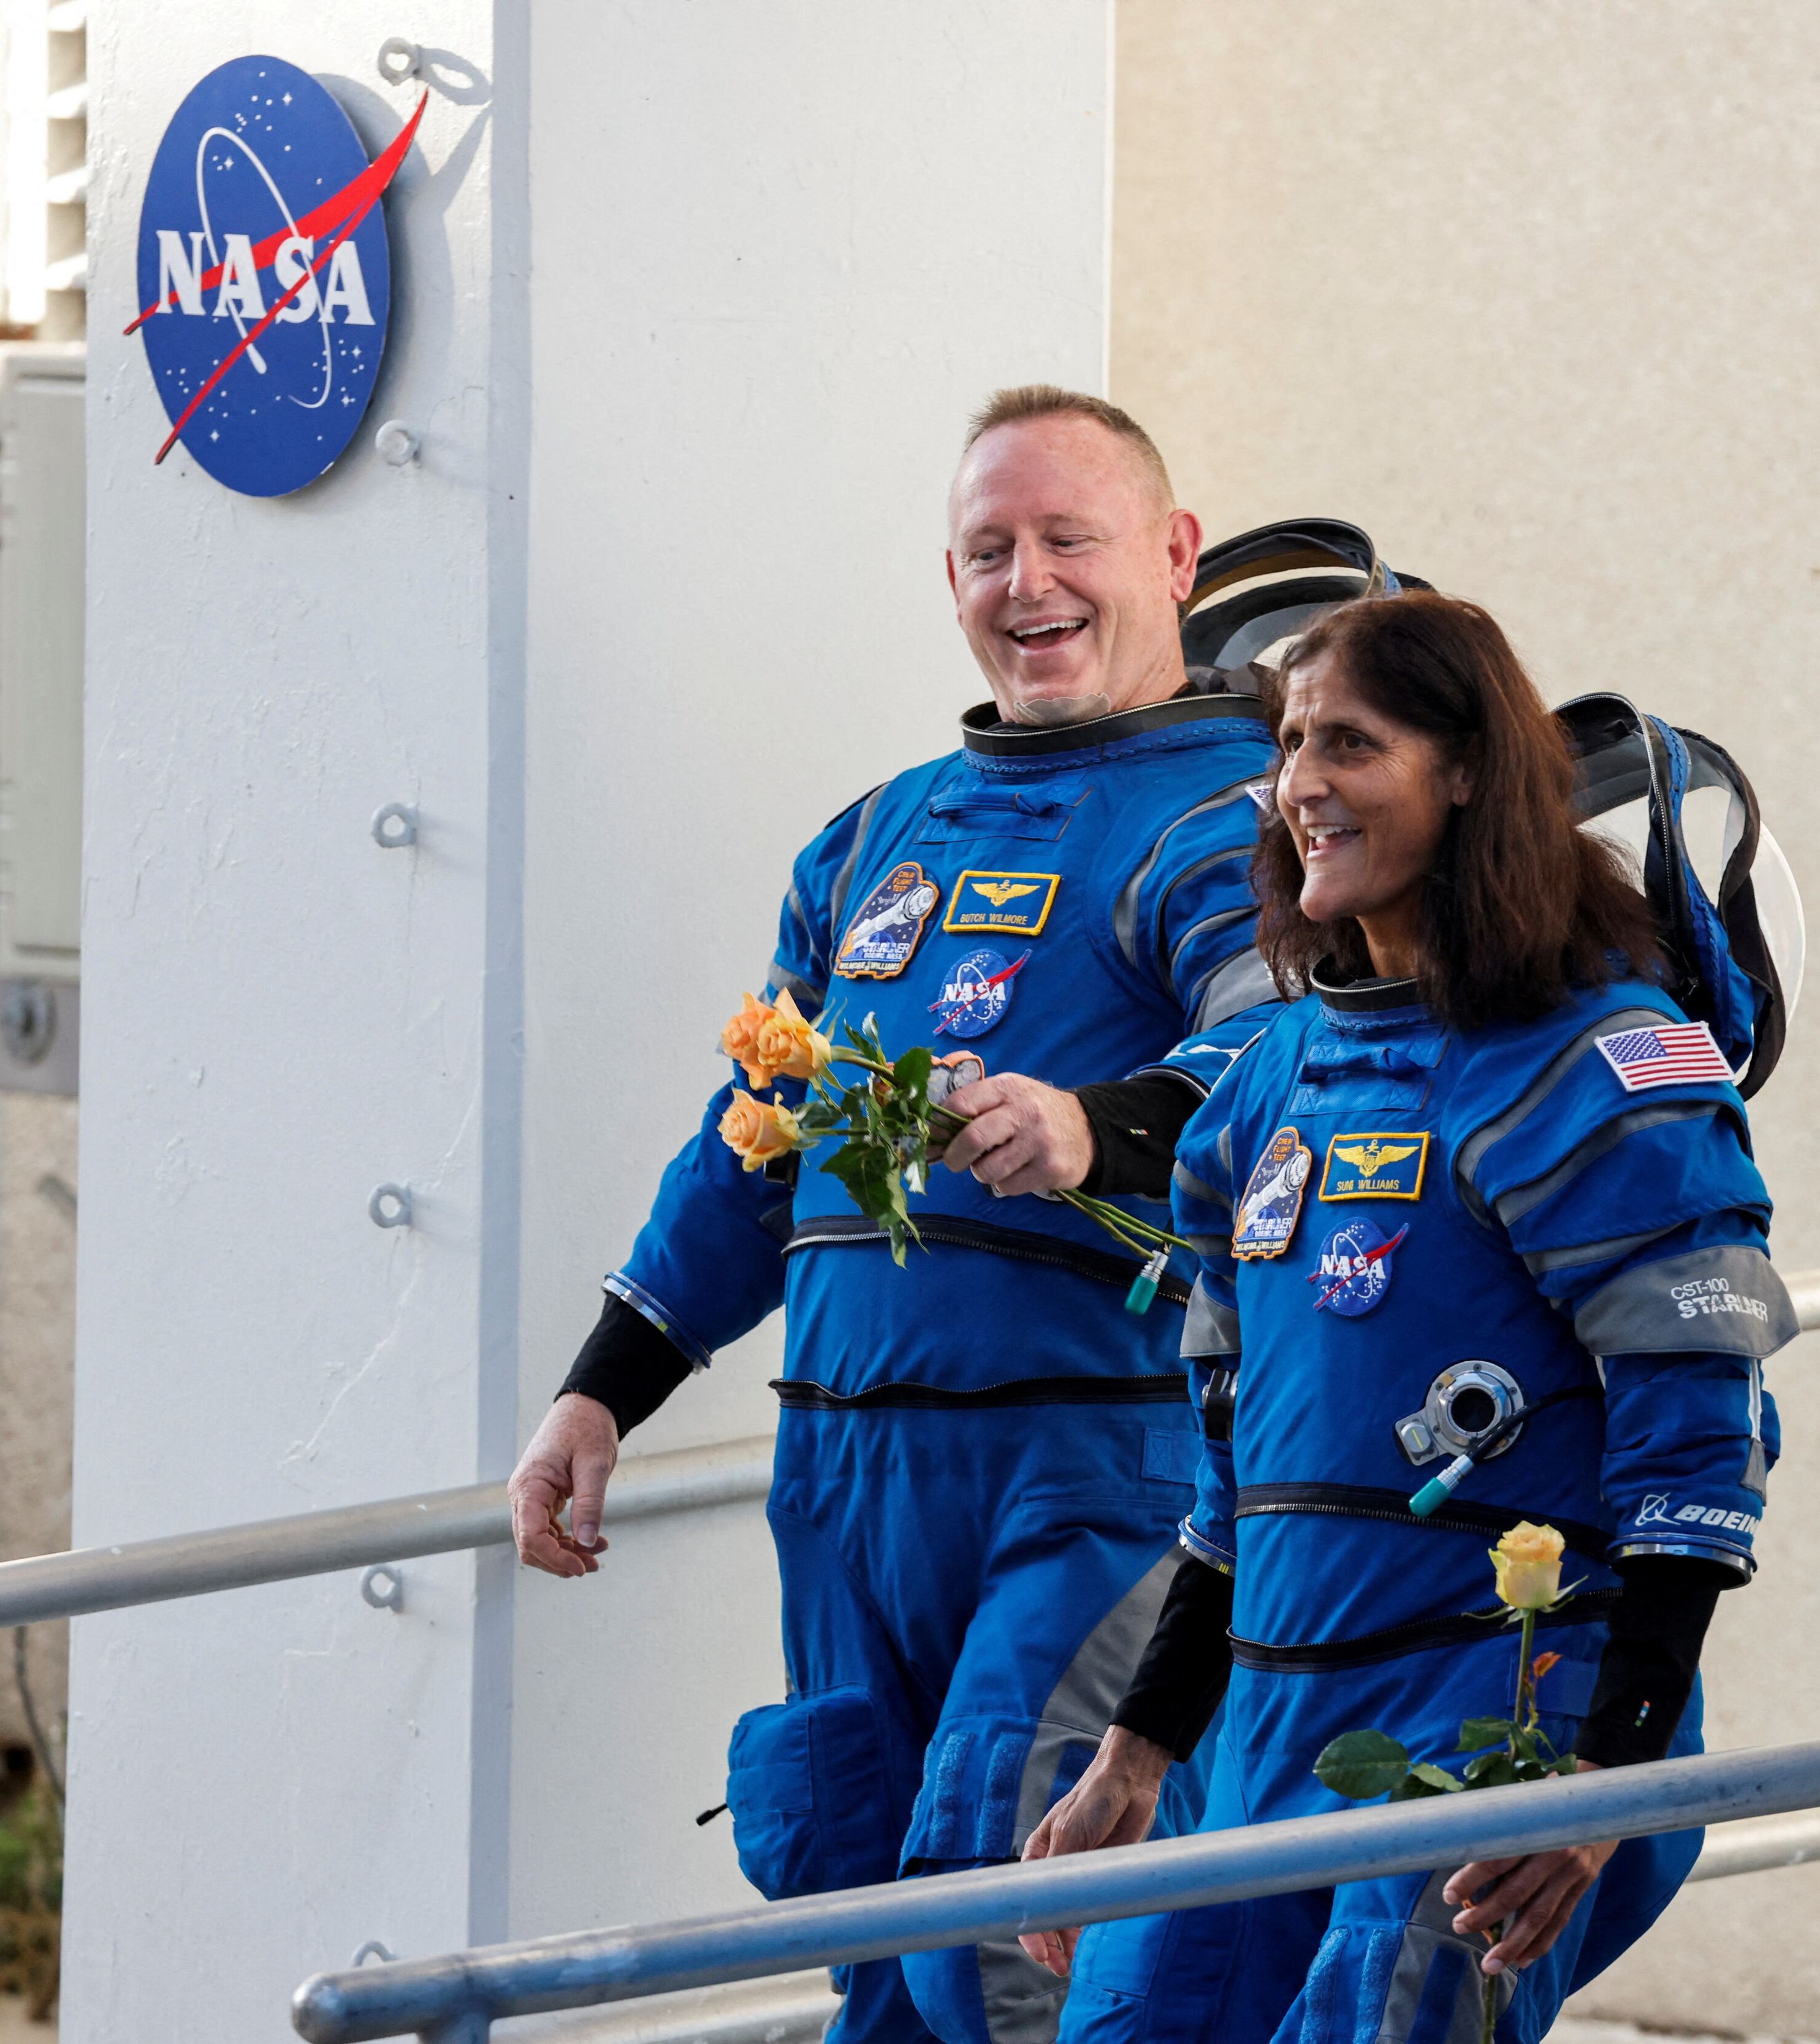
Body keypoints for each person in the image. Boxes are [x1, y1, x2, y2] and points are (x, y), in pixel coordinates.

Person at [504, 387, 1282, 2044]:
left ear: (1173, 553)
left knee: (1003, 1930)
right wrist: (600, 1388)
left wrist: (1096, 1127)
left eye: (1070, 538)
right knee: (869, 1917)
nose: (1031, 582)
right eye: (990, 549)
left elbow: (1282, 1060)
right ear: (948, 576)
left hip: (1091, 1469)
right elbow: (754, 1139)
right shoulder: (874, 840)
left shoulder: (1240, 826)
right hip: (845, 1479)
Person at [1015, 592, 1794, 2042]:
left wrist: (1603, 1787)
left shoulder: (1593, 1068)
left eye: (1352, 744)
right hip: (1257, 1739)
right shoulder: (1266, 1083)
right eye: (1293, 742)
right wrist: (1136, 1752)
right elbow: (1230, 1482)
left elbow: (1699, 1453)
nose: (1301, 782)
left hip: (1493, 1740)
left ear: (1467, 774)